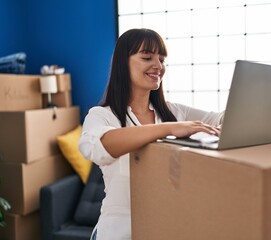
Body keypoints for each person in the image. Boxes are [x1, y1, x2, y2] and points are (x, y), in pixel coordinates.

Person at [79, 28, 224, 240]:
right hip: (118, 233)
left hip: (164, 229)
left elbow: (219, 119)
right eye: (147, 57)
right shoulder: (102, 115)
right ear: (123, 63)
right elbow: (97, 147)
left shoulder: (174, 112)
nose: (158, 66)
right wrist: (168, 129)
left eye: (162, 59)